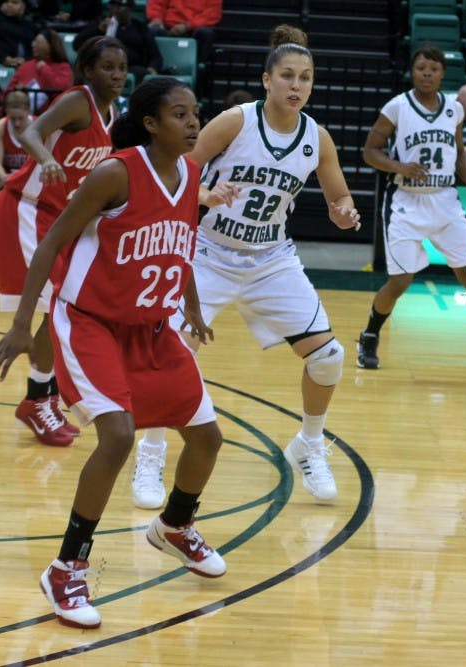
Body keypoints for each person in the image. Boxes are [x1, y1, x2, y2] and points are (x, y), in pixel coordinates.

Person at [0, 76, 227, 631]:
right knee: (117, 434)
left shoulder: (191, 174)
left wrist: (188, 303)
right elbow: (51, 242)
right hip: (90, 321)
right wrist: (24, 325)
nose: (193, 123)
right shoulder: (115, 172)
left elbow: (179, 241)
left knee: (207, 437)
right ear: (150, 123)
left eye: (196, 113)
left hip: (154, 325)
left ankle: (173, 525)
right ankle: (67, 565)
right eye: (180, 115)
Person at [131, 25, 361, 508]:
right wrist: (202, 194)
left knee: (329, 356)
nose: (296, 85)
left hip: (270, 260)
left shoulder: (316, 138)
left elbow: (339, 193)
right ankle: (149, 454)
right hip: (208, 254)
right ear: (266, 79)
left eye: (305, 78)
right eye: (287, 76)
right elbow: (176, 170)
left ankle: (310, 443)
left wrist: (343, 210)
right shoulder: (236, 122)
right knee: (169, 351)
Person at [356, 45, 466, 383]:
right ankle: (370, 335)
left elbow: (459, 152)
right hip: (406, 200)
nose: (427, 74)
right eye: (421, 68)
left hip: (445, 199)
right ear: (412, 71)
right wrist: (399, 166)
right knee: (401, 280)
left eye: (433, 69)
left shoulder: (454, 109)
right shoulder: (397, 106)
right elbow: (369, 151)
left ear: (443, 73)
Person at [0, 36, 127, 446]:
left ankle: (42, 396)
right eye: (108, 67)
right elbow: (32, 132)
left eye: (121, 68)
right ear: (88, 70)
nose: (116, 75)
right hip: (26, 208)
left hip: (60, 217)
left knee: (65, 306)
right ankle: (38, 399)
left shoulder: (111, 111)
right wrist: (46, 158)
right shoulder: (77, 101)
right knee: (56, 304)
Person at [0, 88, 34, 254]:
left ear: (28, 111)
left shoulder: (39, 126)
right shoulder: (0, 127)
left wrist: (21, 176)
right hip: (8, 175)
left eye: (20, 118)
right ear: (6, 112)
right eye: (13, 119)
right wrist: (5, 177)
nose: (17, 123)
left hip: (30, 175)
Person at [74, 0, 162, 85]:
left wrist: (152, 68)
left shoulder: (140, 28)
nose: (117, 10)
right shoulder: (100, 24)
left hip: (132, 67)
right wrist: (98, 30)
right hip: (103, 65)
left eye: (121, 6)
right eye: (114, 6)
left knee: (140, 72)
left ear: (130, 9)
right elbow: (77, 44)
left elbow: (155, 55)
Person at [3, 28, 73, 113]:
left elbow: (61, 89)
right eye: (34, 42)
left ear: (50, 46)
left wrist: (45, 70)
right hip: (23, 117)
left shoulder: (64, 67)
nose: (34, 45)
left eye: (38, 43)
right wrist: (18, 91)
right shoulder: (26, 66)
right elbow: (7, 92)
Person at [145, 0, 221, 64]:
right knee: (152, 30)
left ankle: (198, 69)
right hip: (168, 28)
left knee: (206, 33)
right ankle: (152, 69)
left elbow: (212, 14)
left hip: (194, 30)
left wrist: (188, 26)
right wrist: (157, 18)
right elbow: (157, 4)